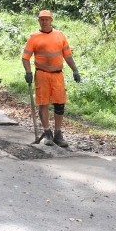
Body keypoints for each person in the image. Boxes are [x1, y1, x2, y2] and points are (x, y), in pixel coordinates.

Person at [22, 10, 81, 147]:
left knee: (60, 104)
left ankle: (58, 134)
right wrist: (28, 72)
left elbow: (67, 56)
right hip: (42, 74)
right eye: (42, 19)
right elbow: (25, 58)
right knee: (43, 103)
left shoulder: (60, 35)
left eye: (46, 19)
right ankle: (47, 133)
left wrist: (75, 70)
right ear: (39, 21)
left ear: (51, 20)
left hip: (58, 75)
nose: (44, 21)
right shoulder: (34, 37)